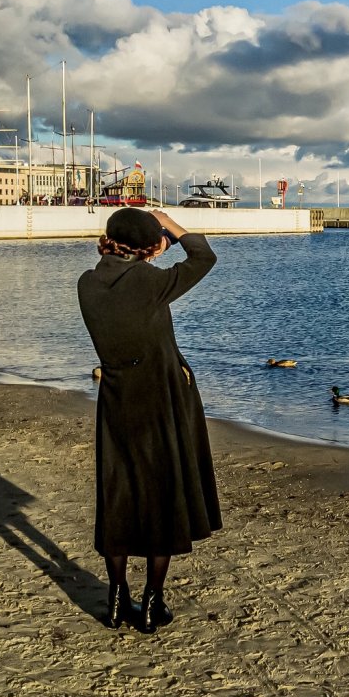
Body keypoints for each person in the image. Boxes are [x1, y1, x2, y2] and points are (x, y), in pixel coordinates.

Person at [76, 207, 220, 633]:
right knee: (163, 497)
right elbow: (203, 257)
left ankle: (117, 596)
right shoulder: (148, 282)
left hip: (117, 400)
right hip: (160, 400)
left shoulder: (88, 283)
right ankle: (153, 602)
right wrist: (169, 223)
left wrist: (151, 240)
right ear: (147, 246)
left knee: (117, 495)